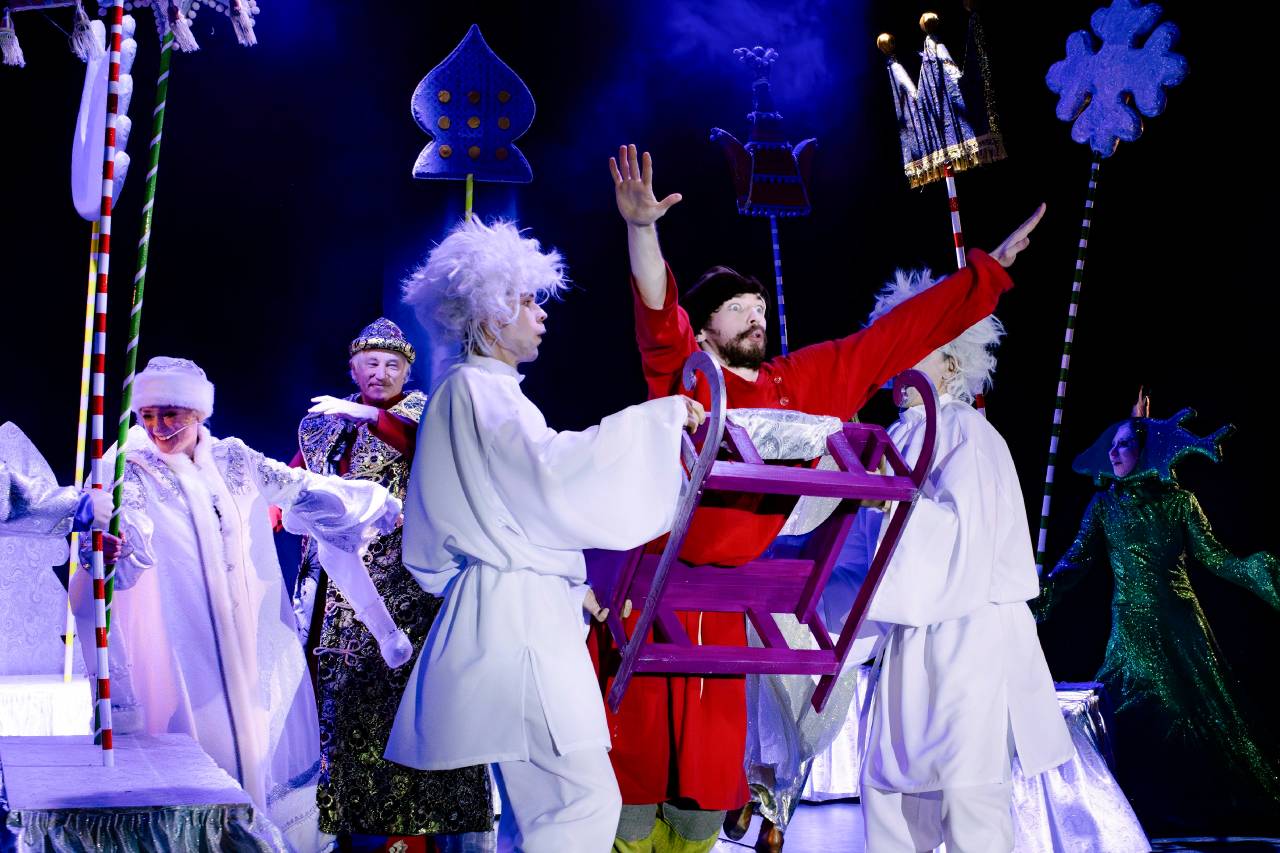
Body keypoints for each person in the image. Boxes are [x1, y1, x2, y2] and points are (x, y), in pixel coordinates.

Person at [601, 143, 1045, 852]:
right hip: (661, 589)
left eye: (760, 308)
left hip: (732, 604)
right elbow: (657, 316)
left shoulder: (796, 382)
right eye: (738, 309)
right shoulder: (690, 376)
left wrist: (983, 276)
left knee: (701, 803)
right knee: (633, 789)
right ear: (706, 327)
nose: (756, 317)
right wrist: (642, 229)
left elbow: (888, 340)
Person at [386, 217, 704, 853]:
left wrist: (563, 584)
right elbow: (551, 477)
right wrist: (659, 421)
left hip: (516, 608)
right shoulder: (477, 390)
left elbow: (497, 516)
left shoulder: (479, 392)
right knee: (582, 802)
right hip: (519, 619)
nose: (541, 314)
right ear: (488, 315)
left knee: (550, 810)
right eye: (527, 301)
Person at [75, 356, 411, 852]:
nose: (158, 427)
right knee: (201, 748)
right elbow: (128, 541)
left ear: (198, 412)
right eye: (148, 415)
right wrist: (109, 546)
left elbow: (300, 487)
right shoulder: (127, 467)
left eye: (171, 414)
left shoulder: (234, 457)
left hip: (251, 633)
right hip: (184, 638)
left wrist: (371, 502)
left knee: (259, 740)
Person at [847, 269, 1072, 853]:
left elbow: (962, 543)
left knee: (968, 804)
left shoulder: (970, 434)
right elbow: (862, 556)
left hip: (968, 643)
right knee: (893, 804)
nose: (897, 358)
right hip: (910, 645)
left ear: (951, 364)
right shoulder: (895, 435)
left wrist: (887, 502)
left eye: (914, 344)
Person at [292, 319, 493, 847]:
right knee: (341, 707)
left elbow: (430, 453)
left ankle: (428, 832)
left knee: (410, 704)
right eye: (371, 364)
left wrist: (371, 418)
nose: (380, 374)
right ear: (353, 368)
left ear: (407, 371)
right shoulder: (323, 422)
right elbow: (293, 483)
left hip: (407, 587)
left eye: (392, 365)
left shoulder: (426, 415)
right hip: (334, 593)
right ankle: (348, 829)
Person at [1037, 400, 1280, 834]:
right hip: (1129, 623)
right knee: (1131, 707)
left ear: (1146, 452)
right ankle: (1138, 811)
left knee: (1187, 711)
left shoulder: (1180, 502)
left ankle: (1189, 809)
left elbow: (1212, 557)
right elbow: (1077, 561)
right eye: (1112, 445)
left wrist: (1256, 571)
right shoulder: (1104, 504)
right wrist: (1046, 589)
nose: (1113, 453)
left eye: (1124, 445)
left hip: (1179, 622)